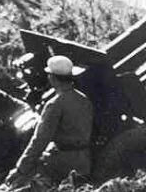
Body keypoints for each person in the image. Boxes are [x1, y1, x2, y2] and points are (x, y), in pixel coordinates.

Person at [5, 55, 93, 187]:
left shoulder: (55, 104)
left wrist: (20, 169)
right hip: (84, 162)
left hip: (62, 164)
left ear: (52, 78)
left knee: (20, 183)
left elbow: (39, 140)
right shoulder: (84, 99)